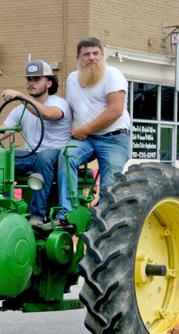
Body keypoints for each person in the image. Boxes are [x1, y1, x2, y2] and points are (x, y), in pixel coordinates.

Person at [55, 37, 131, 222]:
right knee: (66, 156)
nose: (92, 58)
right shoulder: (72, 79)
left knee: (110, 181)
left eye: (96, 53)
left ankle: (105, 221)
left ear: (102, 55)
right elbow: (71, 110)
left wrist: (84, 129)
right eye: (86, 54)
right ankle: (67, 212)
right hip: (86, 138)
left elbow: (115, 110)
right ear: (78, 58)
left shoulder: (113, 75)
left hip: (114, 138)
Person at [1, 60, 73, 225]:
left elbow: (48, 114)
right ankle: (2, 209)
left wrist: (21, 97)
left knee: (45, 157)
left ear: (48, 82)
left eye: (36, 79)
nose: (31, 83)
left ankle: (38, 216)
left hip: (56, 156)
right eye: (29, 80)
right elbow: (2, 131)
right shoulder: (20, 109)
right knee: (2, 158)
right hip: (31, 156)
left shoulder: (58, 103)